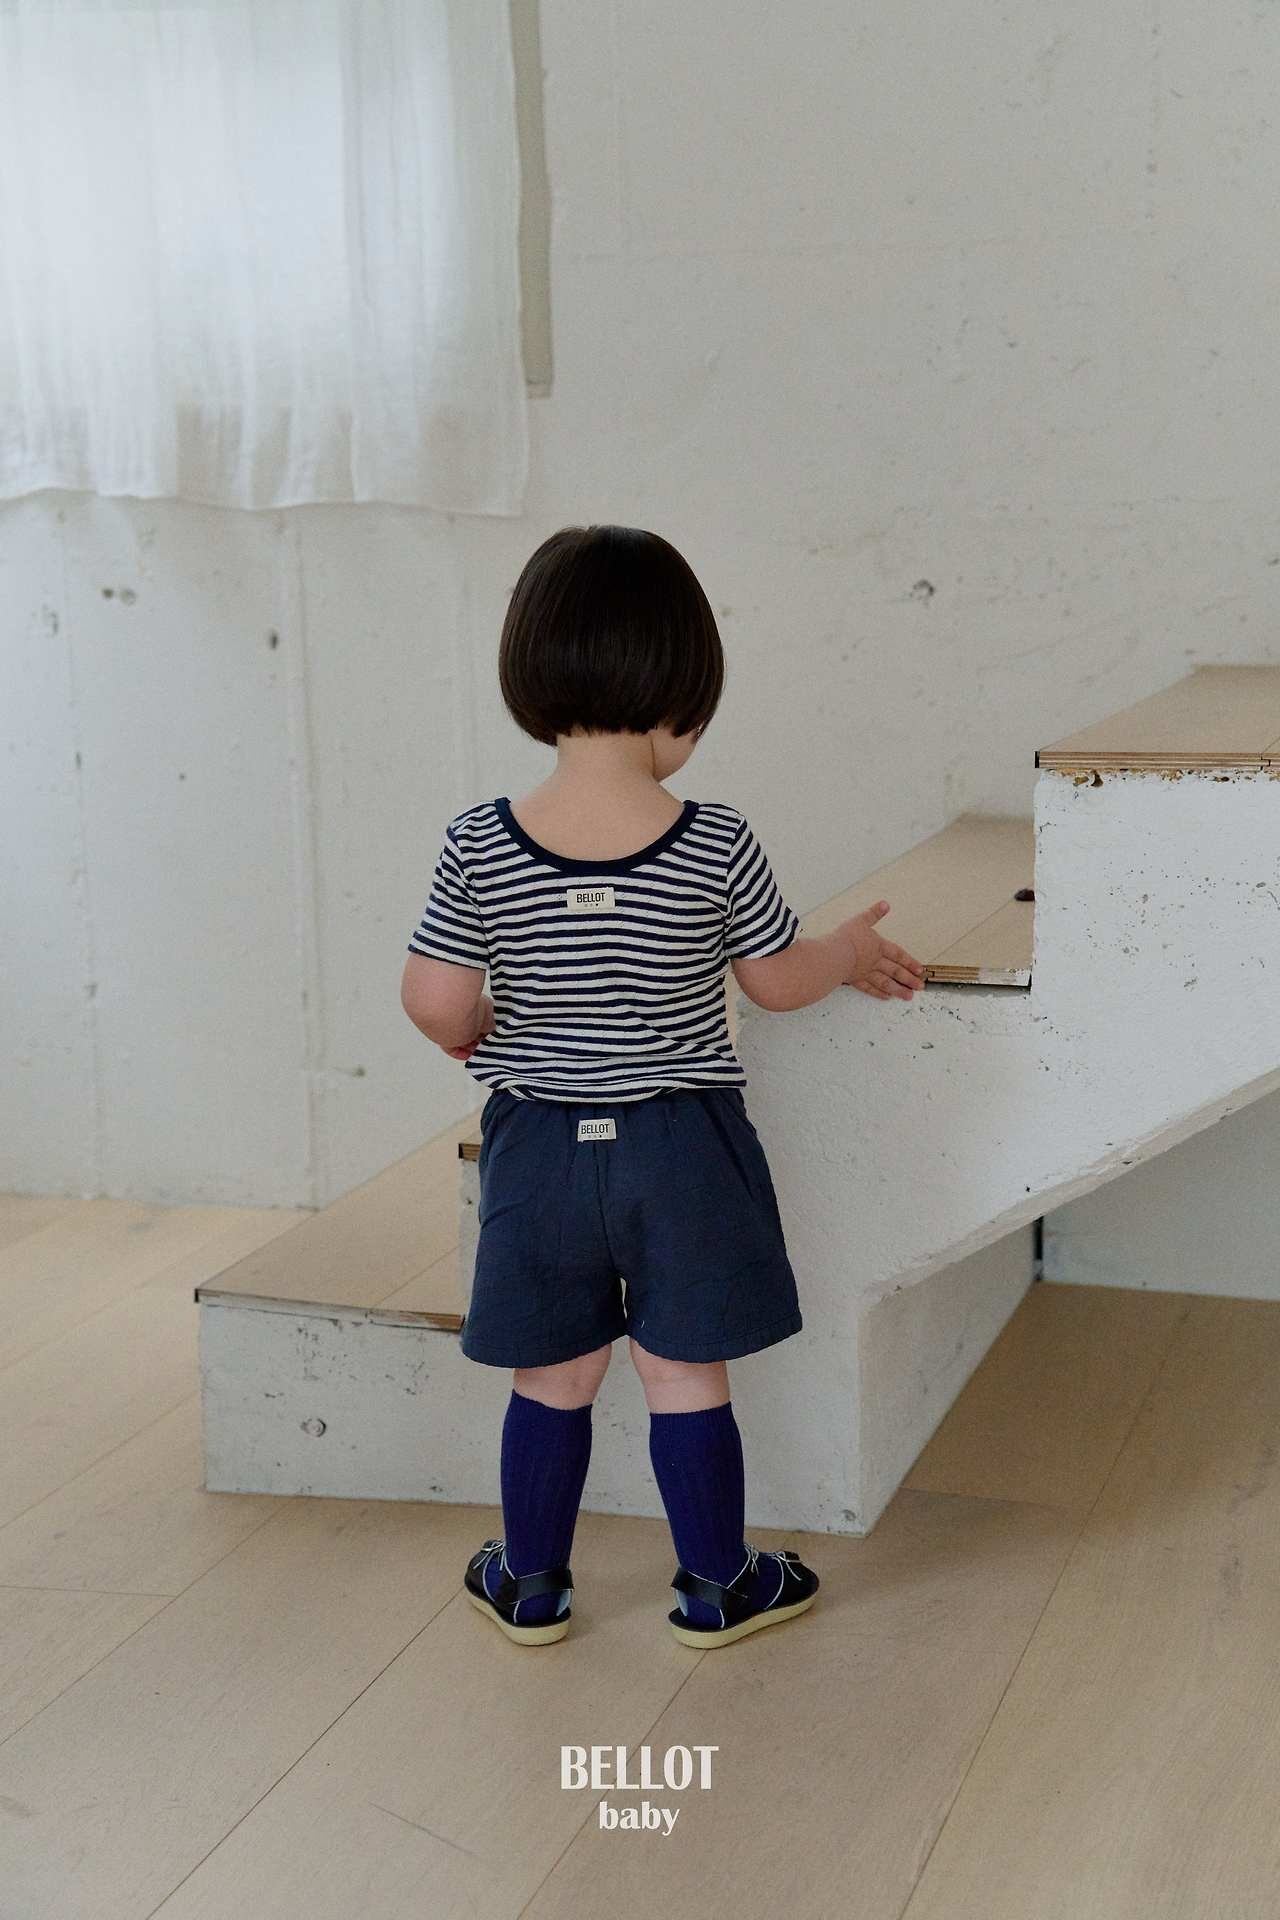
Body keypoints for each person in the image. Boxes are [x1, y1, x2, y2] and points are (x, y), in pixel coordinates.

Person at [400, 525, 925, 1651]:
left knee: (553, 1372)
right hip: (680, 1146)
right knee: (684, 1368)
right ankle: (716, 1585)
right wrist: (843, 950)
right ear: (680, 694)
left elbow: (435, 1000)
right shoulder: (713, 840)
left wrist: (479, 1030)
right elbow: (775, 982)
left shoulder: (478, 843)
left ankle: (530, 1584)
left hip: (541, 1149)